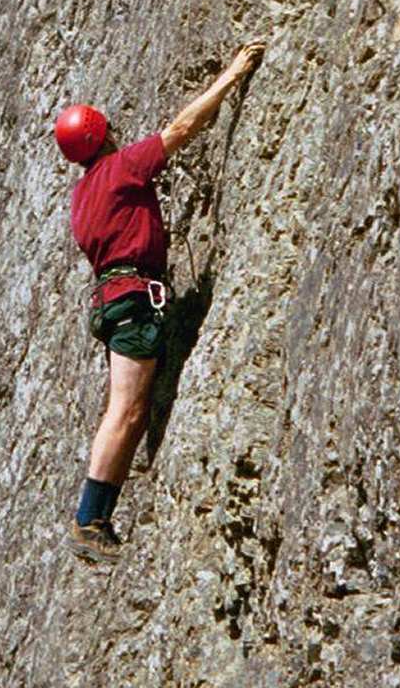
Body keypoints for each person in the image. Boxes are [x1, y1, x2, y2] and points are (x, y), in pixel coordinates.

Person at [57, 42, 266, 563]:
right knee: (127, 411)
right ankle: (89, 518)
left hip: (116, 300)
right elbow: (179, 130)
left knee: (126, 408)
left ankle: (94, 515)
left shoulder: (82, 196)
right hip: (132, 301)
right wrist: (230, 76)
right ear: (101, 135)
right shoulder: (122, 168)